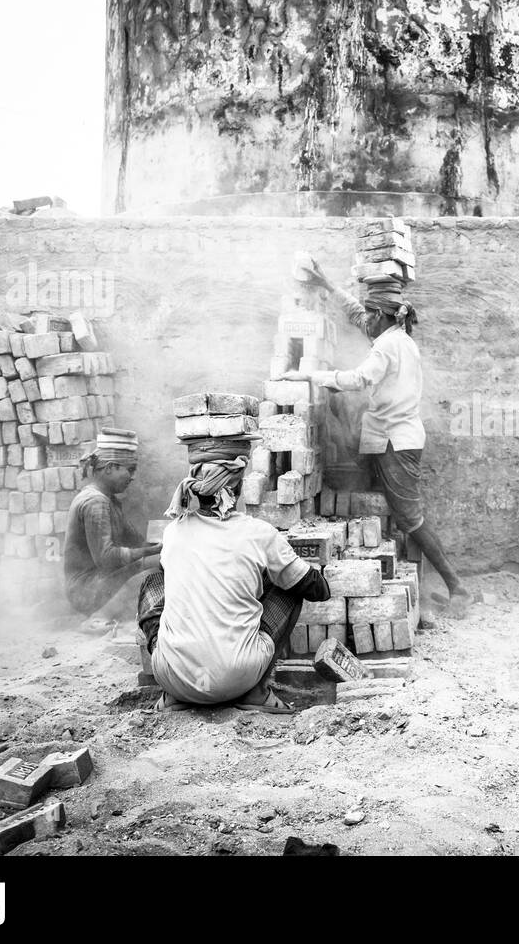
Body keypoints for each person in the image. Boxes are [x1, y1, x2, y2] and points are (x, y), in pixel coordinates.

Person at [287, 258, 473, 617]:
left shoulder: (389, 346)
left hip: (396, 442)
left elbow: (361, 379)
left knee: (409, 516)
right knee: (364, 494)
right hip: (384, 437)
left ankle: (457, 587)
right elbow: (357, 313)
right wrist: (327, 284)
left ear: (386, 315)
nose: (366, 321)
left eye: (372, 315)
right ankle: (406, 581)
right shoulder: (391, 335)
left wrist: (313, 377)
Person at [137, 436, 331, 713]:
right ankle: (257, 692)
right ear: (237, 486)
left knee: (153, 581)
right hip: (237, 675)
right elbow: (317, 590)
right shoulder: (258, 532)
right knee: (289, 587)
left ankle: (173, 695)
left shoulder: (173, 531)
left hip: (172, 676)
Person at [63, 428, 160, 619]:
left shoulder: (109, 500)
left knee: (163, 560)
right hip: (87, 592)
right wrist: (150, 552)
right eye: (130, 470)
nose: (132, 477)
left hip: (100, 582)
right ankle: (102, 616)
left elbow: (136, 542)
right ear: (109, 468)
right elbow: (106, 559)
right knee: (159, 568)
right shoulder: (96, 503)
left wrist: (162, 542)